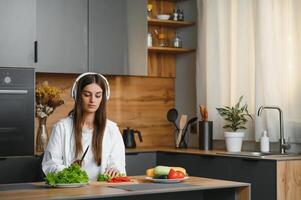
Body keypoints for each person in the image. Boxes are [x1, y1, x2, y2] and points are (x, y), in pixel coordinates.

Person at [42, 72, 126, 181]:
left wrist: (115, 169)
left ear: (103, 98)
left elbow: (118, 164)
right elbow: (50, 164)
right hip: (71, 191)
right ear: (77, 95)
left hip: (103, 192)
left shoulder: (112, 130)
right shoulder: (62, 128)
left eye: (98, 95)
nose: (92, 100)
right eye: (87, 94)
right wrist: (71, 175)